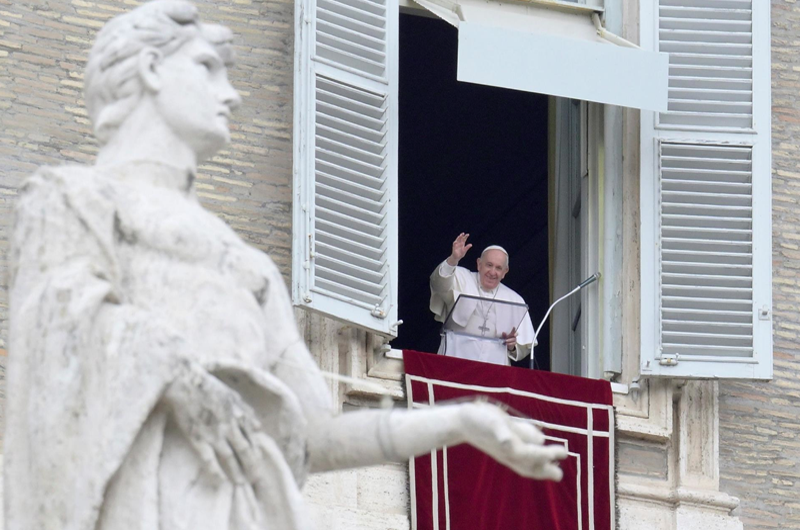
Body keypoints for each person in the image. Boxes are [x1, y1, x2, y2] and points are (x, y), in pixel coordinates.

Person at [4, 2, 565, 530]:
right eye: (206, 69)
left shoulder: (246, 269)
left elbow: (314, 437)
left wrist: (460, 421)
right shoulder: (70, 202)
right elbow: (54, 339)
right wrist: (177, 378)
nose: (231, 94)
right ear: (151, 69)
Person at [430, 232, 536, 366]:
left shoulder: (515, 299)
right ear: (479, 264)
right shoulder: (461, 277)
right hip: (456, 355)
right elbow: (438, 283)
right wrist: (453, 259)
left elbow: (523, 346)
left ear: (505, 272)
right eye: (489, 265)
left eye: (498, 268)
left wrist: (512, 346)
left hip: (494, 365)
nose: (492, 272)